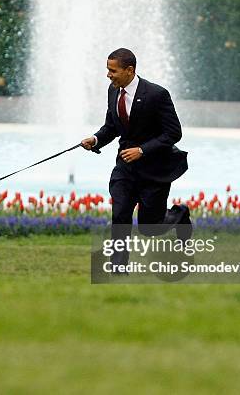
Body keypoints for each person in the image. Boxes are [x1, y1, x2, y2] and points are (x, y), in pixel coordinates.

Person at [81, 48, 191, 267]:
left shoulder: (157, 94)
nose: (108, 75)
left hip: (154, 169)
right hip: (125, 167)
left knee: (150, 227)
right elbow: (112, 127)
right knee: (120, 214)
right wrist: (95, 139)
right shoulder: (113, 91)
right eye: (107, 70)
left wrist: (142, 150)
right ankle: (118, 267)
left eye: (112, 70)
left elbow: (173, 133)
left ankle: (179, 215)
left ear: (129, 70)